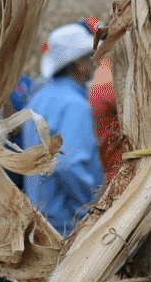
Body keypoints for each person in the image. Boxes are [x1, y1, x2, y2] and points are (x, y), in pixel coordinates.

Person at [22, 23, 104, 236]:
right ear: (79, 64)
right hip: (68, 223)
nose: (95, 63)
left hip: (41, 218)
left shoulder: (38, 99)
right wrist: (94, 207)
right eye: (90, 57)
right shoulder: (74, 105)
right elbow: (69, 165)